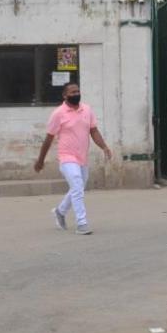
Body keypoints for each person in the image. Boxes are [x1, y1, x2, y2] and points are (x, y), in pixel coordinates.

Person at [35, 83, 112, 235]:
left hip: (82, 157)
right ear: (65, 96)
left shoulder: (87, 110)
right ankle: (82, 223)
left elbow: (94, 131)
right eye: (72, 92)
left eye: (78, 91)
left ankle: (60, 211)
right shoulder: (58, 113)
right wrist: (40, 160)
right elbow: (49, 139)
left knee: (78, 188)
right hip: (67, 157)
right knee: (77, 183)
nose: (76, 93)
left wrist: (104, 146)